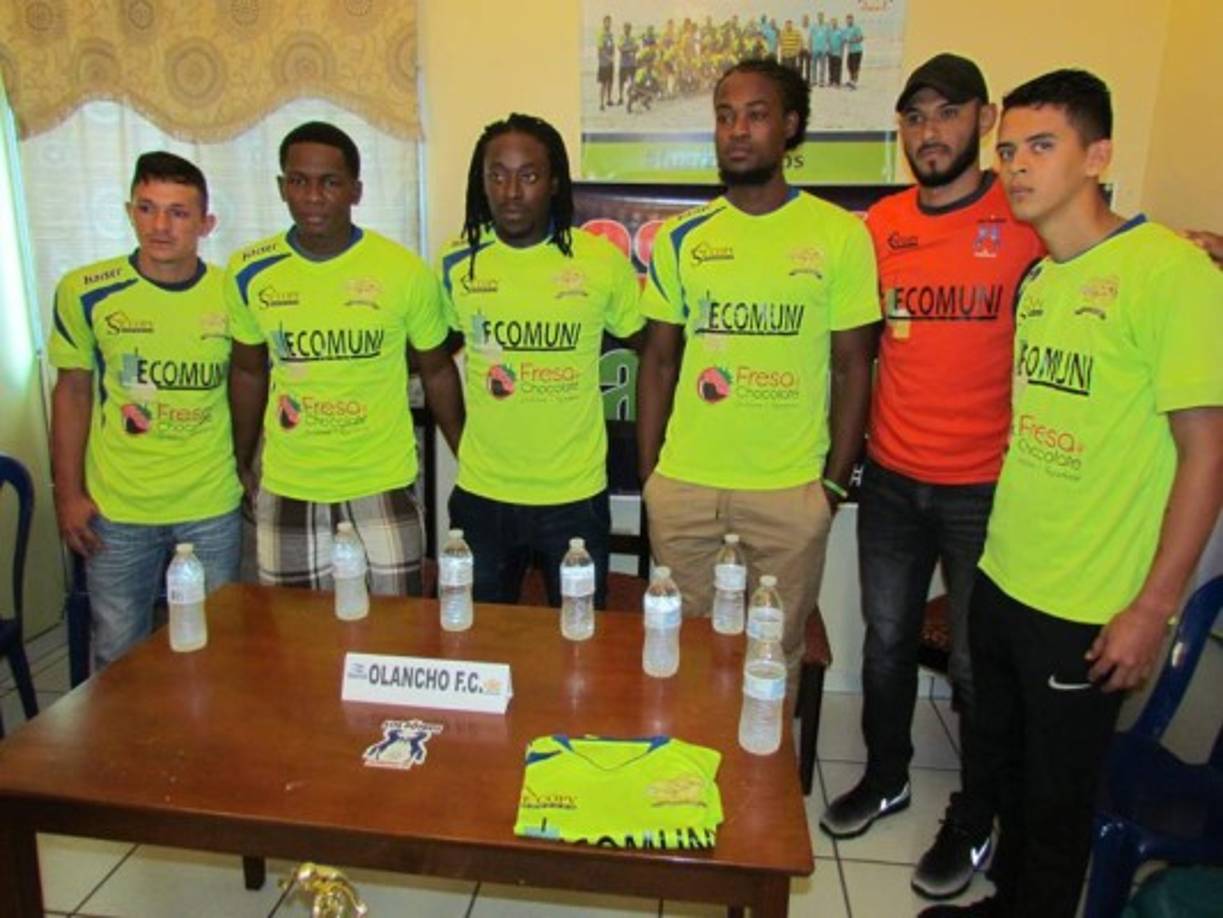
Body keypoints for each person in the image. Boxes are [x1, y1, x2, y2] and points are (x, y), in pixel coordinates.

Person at [922, 69, 1223, 917]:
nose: (1016, 167)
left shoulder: (1171, 273)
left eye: (1041, 146)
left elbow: (1207, 452)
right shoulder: (1043, 281)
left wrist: (1152, 606)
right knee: (1007, 778)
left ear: (1098, 155)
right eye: (1007, 149)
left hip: (1090, 603)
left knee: (1057, 810)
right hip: (1008, 576)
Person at [817, 54, 1045, 903]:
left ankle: (975, 815)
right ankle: (886, 775)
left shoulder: (1022, 212)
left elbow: (1108, 249)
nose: (928, 133)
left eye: (946, 114)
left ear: (982, 121)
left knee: (977, 669)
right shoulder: (878, 227)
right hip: (892, 480)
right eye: (913, 118)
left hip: (987, 489)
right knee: (884, 643)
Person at [637, 58, 878, 685]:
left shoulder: (838, 235)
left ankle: (759, 782)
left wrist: (830, 489)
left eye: (756, 114)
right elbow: (658, 360)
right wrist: (651, 479)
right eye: (724, 116)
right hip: (686, 488)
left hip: (788, 491)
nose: (737, 130)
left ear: (791, 126)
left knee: (774, 658)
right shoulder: (681, 237)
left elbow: (854, 368)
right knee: (686, 653)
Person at [226, 122, 463, 597]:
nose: (313, 196)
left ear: (355, 190)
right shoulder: (249, 270)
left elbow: (437, 368)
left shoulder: (401, 271)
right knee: (297, 643)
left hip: (383, 483)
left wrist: (468, 456)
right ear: (282, 187)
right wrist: (242, 457)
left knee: (394, 638)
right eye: (299, 181)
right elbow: (249, 370)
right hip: (291, 485)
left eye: (330, 182)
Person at [437, 113, 642, 608]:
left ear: (553, 183)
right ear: (480, 181)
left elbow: (653, 350)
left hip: (574, 497)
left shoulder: (598, 261)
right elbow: (432, 357)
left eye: (528, 175)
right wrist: (463, 442)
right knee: (479, 639)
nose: (511, 191)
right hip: (483, 495)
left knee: (580, 644)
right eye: (497, 174)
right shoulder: (457, 260)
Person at [49, 152, 242, 671]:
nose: (161, 226)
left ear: (207, 223)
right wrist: (67, 494)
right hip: (118, 508)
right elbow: (71, 392)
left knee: (216, 647)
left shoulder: (233, 294)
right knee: (118, 651)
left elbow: (252, 387)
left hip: (210, 504)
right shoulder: (86, 292)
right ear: (129, 211)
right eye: (148, 208)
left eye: (179, 212)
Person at [616, 22, 638, 106]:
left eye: (628, 28)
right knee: (621, 82)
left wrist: (627, 49)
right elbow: (620, 49)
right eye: (626, 28)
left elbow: (637, 48)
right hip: (624, 64)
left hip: (632, 63)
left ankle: (632, 96)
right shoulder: (621, 38)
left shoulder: (633, 38)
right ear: (623, 29)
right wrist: (630, 49)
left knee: (632, 81)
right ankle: (621, 97)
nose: (627, 29)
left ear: (630, 29)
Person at [597, 15, 615, 111]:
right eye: (607, 22)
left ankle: (609, 99)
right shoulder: (601, 34)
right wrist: (608, 58)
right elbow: (600, 50)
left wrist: (613, 56)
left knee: (610, 82)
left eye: (609, 22)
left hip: (610, 62)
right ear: (603, 23)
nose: (608, 24)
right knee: (603, 83)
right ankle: (601, 103)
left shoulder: (610, 34)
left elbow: (612, 46)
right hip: (603, 63)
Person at [844, 14, 865, 88]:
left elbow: (861, 38)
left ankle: (854, 82)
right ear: (846, 20)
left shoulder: (856, 28)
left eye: (850, 19)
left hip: (857, 51)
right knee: (849, 66)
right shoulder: (846, 29)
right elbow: (845, 39)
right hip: (850, 51)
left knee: (855, 67)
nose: (849, 21)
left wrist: (853, 40)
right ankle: (851, 80)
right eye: (848, 19)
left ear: (853, 20)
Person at [810, 13, 830, 87]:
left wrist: (827, 48)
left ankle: (821, 81)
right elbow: (811, 38)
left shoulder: (826, 27)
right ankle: (814, 80)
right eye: (819, 16)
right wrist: (810, 48)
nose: (820, 18)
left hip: (823, 50)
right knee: (813, 66)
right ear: (817, 17)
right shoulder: (814, 26)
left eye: (821, 16)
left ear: (823, 17)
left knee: (822, 66)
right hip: (815, 49)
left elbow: (828, 39)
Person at [827, 18, 845, 87]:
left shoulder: (840, 31)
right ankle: (831, 81)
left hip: (838, 53)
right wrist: (828, 49)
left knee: (838, 68)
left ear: (837, 23)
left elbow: (843, 42)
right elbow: (828, 41)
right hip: (831, 52)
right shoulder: (830, 31)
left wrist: (842, 52)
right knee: (831, 68)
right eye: (832, 22)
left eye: (835, 22)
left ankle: (837, 82)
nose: (834, 23)